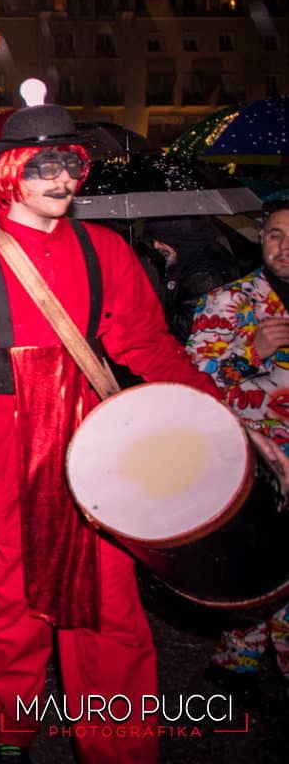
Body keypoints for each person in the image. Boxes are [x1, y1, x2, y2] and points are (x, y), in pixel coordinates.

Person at [0, 104, 220, 764]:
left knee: (113, 622)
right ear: (10, 174)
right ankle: (7, 740)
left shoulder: (106, 251)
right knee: (6, 619)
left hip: (94, 464)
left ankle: (120, 752)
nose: (62, 179)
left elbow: (149, 344)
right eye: (44, 166)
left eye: (71, 165)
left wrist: (214, 411)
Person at [186, 201, 289, 690]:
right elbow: (191, 384)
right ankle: (239, 664)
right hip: (257, 462)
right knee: (260, 569)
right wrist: (252, 351)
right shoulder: (232, 302)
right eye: (273, 235)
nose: (283, 247)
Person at [145, 215, 242, 343]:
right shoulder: (194, 256)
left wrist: (153, 310)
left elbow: (188, 329)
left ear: (178, 239)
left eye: (162, 241)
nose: (156, 246)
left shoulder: (203, 273)